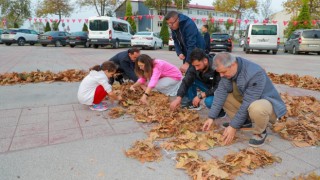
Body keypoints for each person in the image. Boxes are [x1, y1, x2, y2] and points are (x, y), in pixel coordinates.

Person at [202, 52, 287, 147]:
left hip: (268, 106)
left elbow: (247, 103)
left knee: (257, 108)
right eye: (219, 72)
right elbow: (220, 93)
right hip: (250, 102)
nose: (221, 75)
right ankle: (245, 122)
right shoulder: (230, 70)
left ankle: (260, 131)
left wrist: (233, 126)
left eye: (223, 72)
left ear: (232, 65)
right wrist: (211, 117)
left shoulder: (254, 73)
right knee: (222, 96)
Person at [170, 48, 223, 113]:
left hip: (218, 90)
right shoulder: (194, 65)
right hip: (207, 86)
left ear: (205, 61)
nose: (196, 68)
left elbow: (220, 87)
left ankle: (221, 112)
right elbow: (186, 81)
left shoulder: (217, 66)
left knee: (209, 102)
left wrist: (201, 95)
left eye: (198, 65)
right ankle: (194, 104)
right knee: (190, 79)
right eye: (194, 66)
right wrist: (178, 98)